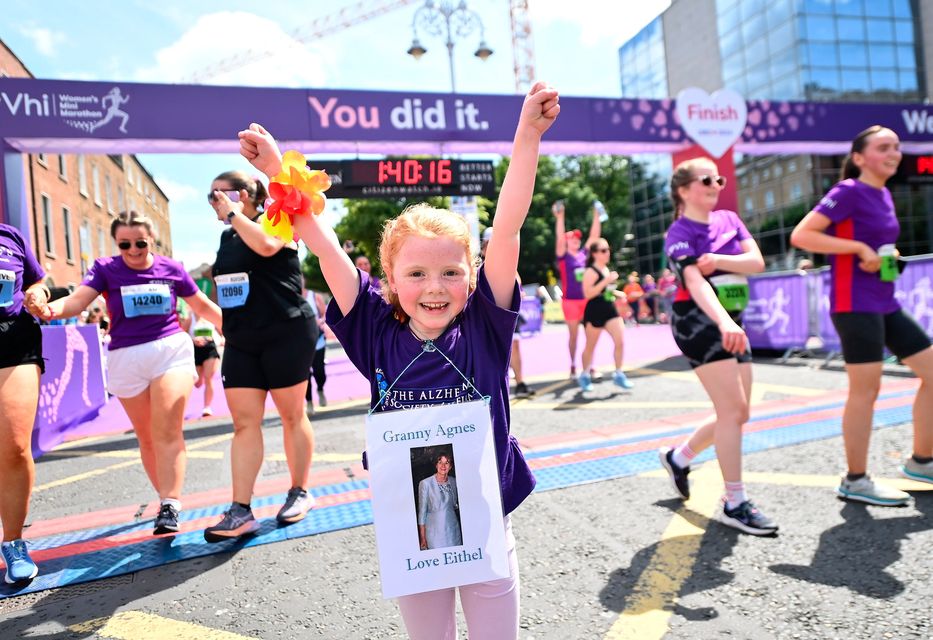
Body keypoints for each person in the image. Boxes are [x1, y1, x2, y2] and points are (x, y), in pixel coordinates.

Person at [238, 80, 559, 640]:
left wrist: (526, 134)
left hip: (489, 523)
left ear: (471, 275)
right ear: (389, 280)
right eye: (416, 274)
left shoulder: (485, 323)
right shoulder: (371, 327)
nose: (435, 288)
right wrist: (276, 172)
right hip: (412, 533)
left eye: (451, 272)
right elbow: (324, 245)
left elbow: (506, 227)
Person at [35, 211, 222, 535]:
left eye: (140, 242)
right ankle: (164, 497)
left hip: (170, 350)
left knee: (166, 428)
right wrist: (50, 310)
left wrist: (235, 327)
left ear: (151, 240)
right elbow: (78, 301)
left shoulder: (171, 269)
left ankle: (170, 504)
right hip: (125, 358)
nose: (133, 249)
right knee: (148, 437)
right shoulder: (106, 269)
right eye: (125, 244)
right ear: (116, 243)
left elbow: (202, 306)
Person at [790, 125, 933, 505]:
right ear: (858, 158)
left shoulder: (883, 193)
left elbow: (876, 242)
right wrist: (856, 248)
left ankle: (921, 461)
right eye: (883, 147)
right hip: (853, 303)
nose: (894, 153)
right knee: (865, 392)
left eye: (896, 147)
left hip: (885, 301)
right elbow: (802, 236)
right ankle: (855, 479)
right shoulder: (848, 191)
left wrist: (889, 256)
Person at [658, 158, 778, 536]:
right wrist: (723, 321)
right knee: (733, 410)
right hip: (698, 321)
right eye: (706, 179)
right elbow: (693, 282)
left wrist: (720, 260)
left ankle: (678, 458)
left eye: (719, 178)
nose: (716, 184)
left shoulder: (729, 219)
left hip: (731, 320)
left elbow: (756, 261)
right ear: (683, 190)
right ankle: (735, 502)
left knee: (738, 412)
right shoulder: (678, 231)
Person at [203, 170, 319, 542]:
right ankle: (241, 509)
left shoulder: (276, 219)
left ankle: (300, 491)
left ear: (246, 195)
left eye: (220, 195)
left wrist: (234, 215)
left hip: (286, 331)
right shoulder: (226, 235)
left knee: (291, 414)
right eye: (211, 197)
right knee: (243, 423)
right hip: (242, 338)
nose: (216, 203)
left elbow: (268, 246)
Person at [1, 224, 51, 583]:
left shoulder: (11, 236)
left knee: (15, 447)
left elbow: (36, 281)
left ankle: (13, 542)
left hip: (13, 341)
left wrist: (39, 294)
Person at [482, 227, 534, 399]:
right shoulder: (478, 267)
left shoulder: (509, 264)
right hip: (488, 317)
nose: (493, 247)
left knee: (515, 348)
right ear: (484, 247)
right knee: (490, 352)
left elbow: (518, 287)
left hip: (508, 315)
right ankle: (493, 387)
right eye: (489, 244)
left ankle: (520, 383)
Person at [577, 239, 634, 392]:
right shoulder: (590, 271)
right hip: (594, 310)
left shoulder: (605, 269)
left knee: (620, 341)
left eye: (608, 249)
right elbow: (588, 293)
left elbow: (605, 291)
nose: (607, 253)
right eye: (603, 250)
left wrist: (617, 293)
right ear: (594, 254)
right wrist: (606, 281)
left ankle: (619, 373)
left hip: (609, 308)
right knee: (590, 346)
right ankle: (584, 374)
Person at [554, 201, 601, 378]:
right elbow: (559, 237)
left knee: (591, 334)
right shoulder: (564, 256)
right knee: (573, 336)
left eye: (577, 239)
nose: (576, 241)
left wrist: (597, 214)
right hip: (570, 301)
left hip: (587, 299)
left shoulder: (584, 255)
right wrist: (560, 217)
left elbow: (595, 235)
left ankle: (589, 365)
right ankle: (573, 365)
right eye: (572, 239)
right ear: (566, 242)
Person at [418, 454, 462, 550]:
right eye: (440, 462)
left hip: (453, 531)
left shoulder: (454, 481)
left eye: (446, 463)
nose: (443, 466)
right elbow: (422, 513)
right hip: (434, 534)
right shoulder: (425, 483)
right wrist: (423, 538)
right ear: (436, 465)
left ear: (450, 466)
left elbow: (455, 505)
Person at [191, 311, 221, 417]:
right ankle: (201, 374)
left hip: (210, 350)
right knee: (197, 383)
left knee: (209, 379)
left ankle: (207, 407)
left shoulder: (211, 315)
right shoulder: (190, 318)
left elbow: (223, 329)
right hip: (196, 351)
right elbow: (182, 333)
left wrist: (222, 339)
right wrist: (193, 340)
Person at [305, 289, 328, 415]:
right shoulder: (291, 296)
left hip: (318, 342)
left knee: (319, 371)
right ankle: (309, 402)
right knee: (304, 375)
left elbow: (325, 314)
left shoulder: (314, 296)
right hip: (301, 345)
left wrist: (319, 321)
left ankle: (320, 388)